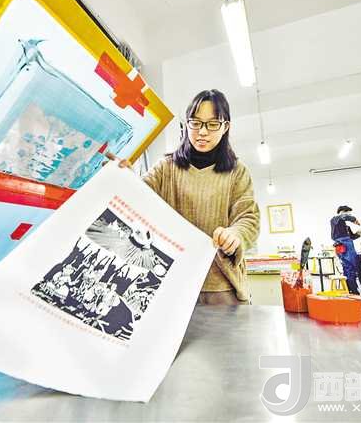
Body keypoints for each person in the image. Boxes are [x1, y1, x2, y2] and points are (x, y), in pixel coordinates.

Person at [110, 89, 261, 305]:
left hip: (221, 285)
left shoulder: (237, 172)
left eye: (212, 124)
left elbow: (248, 218)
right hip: (173, 282)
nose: (202, 132)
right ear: (186, 124)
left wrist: (235, 235)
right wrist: (125, 178)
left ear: (225, 126)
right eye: (195, 123)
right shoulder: (165, 168)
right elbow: (139, 201)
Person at [330, 205, 361, 295]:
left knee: (348, 267)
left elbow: (351, 237)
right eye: (348, 213)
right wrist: (354, 219)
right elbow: (342, 217)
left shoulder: (345, 226)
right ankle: (354, 290)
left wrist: (358, 234)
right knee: (350, 267)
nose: (349, 215)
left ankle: (350, 288)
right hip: (344, 246)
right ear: (342, 212)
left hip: (348, 245)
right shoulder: (335, 220)